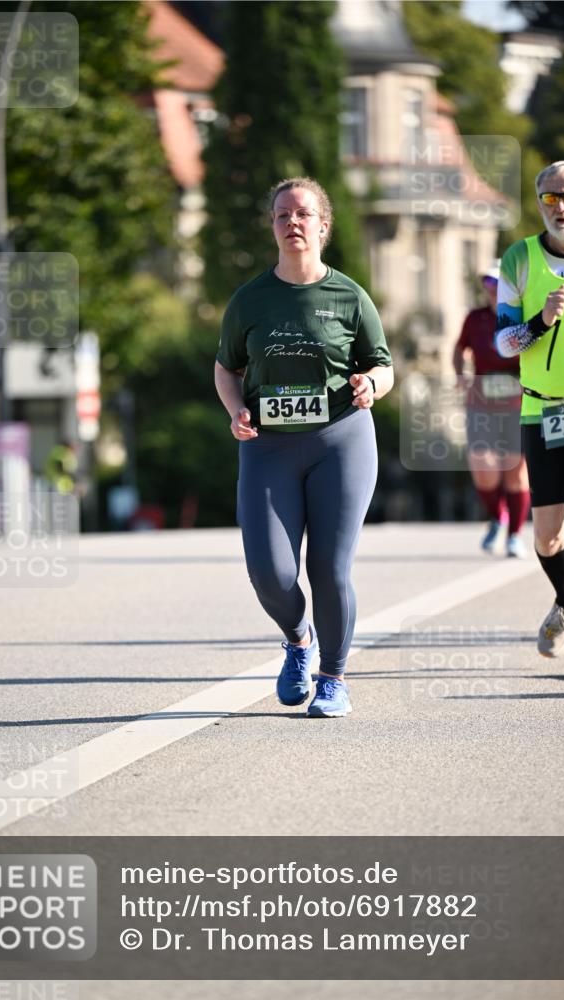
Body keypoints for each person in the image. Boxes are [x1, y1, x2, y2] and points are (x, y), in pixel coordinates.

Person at [214, 177, 393, 716]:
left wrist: (372, 385)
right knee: (269, 571)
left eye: (303, 214)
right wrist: (235, 410)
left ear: (323, 226)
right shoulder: (250, 299)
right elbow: (227, 368)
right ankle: (298, 639)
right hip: (268, 447)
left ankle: (334, 677)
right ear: (272, 226)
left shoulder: (349, 296)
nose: (292, 222)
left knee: (329, 568)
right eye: (281, 215)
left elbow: (383, 365)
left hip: (341, 441)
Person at [495, 157, 564, 678]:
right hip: (542, 409)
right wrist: (541, 320)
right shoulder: (519, 260)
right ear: (539, 204)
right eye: (551, 198)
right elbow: (504, 342)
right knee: (549, 535)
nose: (562, 206)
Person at [452, 262, 530, 557]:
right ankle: (497, 517)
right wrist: (461, 375)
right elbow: (460, 349)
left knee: (515, 470)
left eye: (498, 284)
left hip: (518, 406)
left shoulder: (522, 317)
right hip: (482, 404)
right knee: (483, 467)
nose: (493, 290)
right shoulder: (475, 319)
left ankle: (514, 535)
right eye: (488, 284)